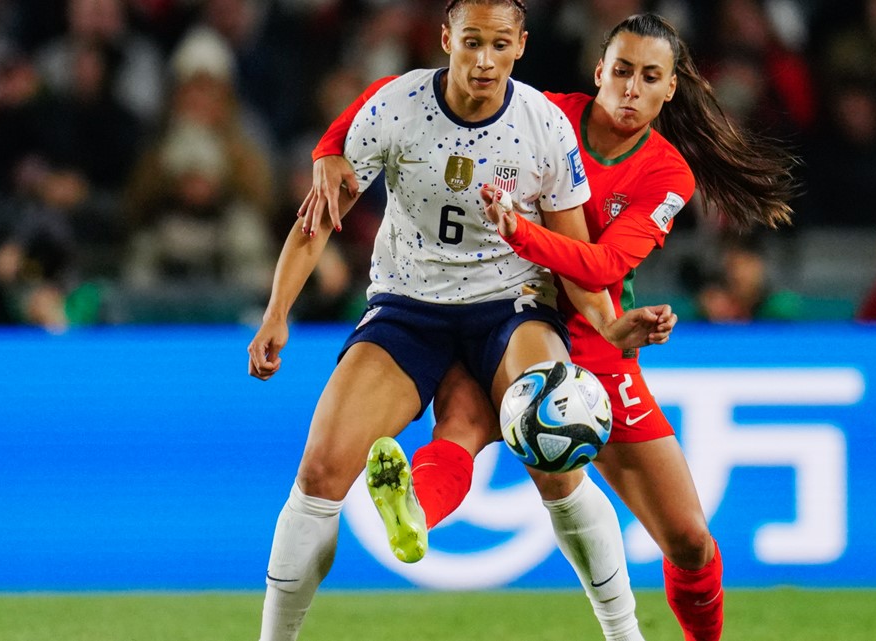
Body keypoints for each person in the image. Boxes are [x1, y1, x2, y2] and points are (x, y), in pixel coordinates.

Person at [305, 12, 797, 641]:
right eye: (620, 71)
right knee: (460, 427)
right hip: (507, 321)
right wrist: (328, 149)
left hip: (597, 342)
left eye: (649, 77)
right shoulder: (543, 115)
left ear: (670, 89)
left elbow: (604, 264)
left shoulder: (667, 173)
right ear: (599, 71)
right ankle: (415, 517)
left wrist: (523, 232)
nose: (630, 89)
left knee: (691, 541)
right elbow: (401, 98)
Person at [246, 3, 674, 640]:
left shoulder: (544, 126)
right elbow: (318, 219)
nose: (483, 59)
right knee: (319, 474)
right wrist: (277, 311)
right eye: (471, 42)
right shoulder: (396, 106)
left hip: (511, 307)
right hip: (405, 309)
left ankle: (624, 634)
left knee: (555, 454)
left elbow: (579, 258)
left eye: (500, 44)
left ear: (521, 45)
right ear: (446, 38)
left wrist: (608, 328)